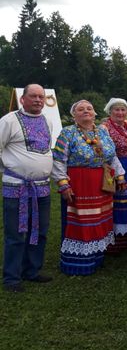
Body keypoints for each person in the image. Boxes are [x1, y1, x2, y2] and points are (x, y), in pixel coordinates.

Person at [52, 100, 125, 275]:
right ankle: (78, 263)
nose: (86, 111)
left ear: (94, 114)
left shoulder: (102, 131)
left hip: (102, 183)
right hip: (80, 183)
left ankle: (97, 257)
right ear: (74, 115)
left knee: (99, 218)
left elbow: (112, 156)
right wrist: (63, 183)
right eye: (81, 109)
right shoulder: (67, 132)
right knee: (81, 219)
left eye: (89, 108)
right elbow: (59, 160)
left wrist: (120, 175)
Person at [0, 84, 53, 292]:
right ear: (22, 99)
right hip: (17, 188)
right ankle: (12, 278)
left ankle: (31, 270)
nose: (38, 100)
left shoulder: (47, 120)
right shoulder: (9, 120)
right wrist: (11, 169)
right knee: (15, 234)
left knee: (39, 231)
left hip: (42, 187)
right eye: (33, 96)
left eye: (41, 96)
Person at [103, 98, 127, 254]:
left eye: (123, 110)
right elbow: (107, 153)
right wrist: (119, 174)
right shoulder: (104, 128)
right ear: (110, 112)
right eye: (116, 110)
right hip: (115, 169)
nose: (120, 113)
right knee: (117, 203)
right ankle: (114, 243)